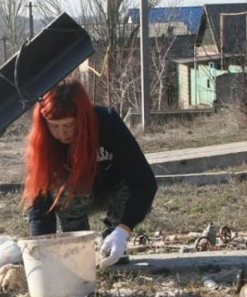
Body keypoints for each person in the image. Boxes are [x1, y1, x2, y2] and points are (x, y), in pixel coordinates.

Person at [21, 78, 157, 267]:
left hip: (113, 191)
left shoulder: (108, 123)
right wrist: (43, 249)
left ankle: (112, 237)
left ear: (82, 118)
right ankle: (78, 242)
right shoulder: (44, 143)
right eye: (54, 126)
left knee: (131, 192)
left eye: (68, 125)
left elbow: (145, 182)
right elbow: (39, 200)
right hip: (75, 198)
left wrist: (123, 230)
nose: (62, 134)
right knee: (61, 187)